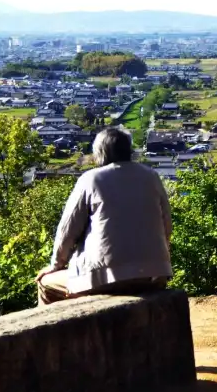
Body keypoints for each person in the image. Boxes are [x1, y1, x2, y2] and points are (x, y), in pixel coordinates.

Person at [36, 126, 173, 306]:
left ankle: (56, 333)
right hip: (154, 276)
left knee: (45, 283)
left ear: (100, 152)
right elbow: (166, 226)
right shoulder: (151, 176)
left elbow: (67, 231)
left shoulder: (91, 179)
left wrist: (55, 266)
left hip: (105, 278)